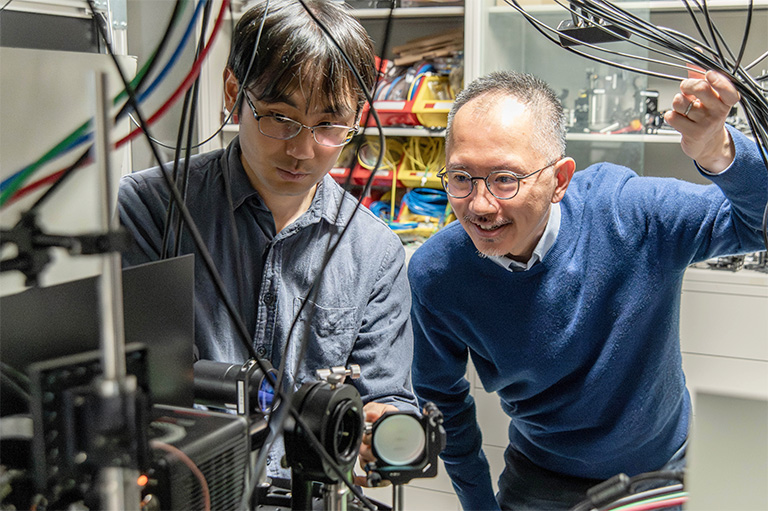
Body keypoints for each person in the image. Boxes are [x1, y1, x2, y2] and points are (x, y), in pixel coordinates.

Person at [408, 69, 766, 510]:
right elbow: (441, 397)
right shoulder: (438, 274)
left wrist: (717, 151)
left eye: (505, 179)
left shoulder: (632, 213)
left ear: (559, 180)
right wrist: (479, 504)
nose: (480, 206)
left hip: (664, 476)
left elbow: (757, 223)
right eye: (462, 179)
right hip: (541, 483)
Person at [118, 0, 417, 481]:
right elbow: (142, 385)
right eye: (280, 117)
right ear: (234, 91)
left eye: (329, 125)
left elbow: (386, 398)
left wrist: (380, 434)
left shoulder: (375, 251)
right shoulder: (153, 207)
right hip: (187, 486)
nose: (301, 150)